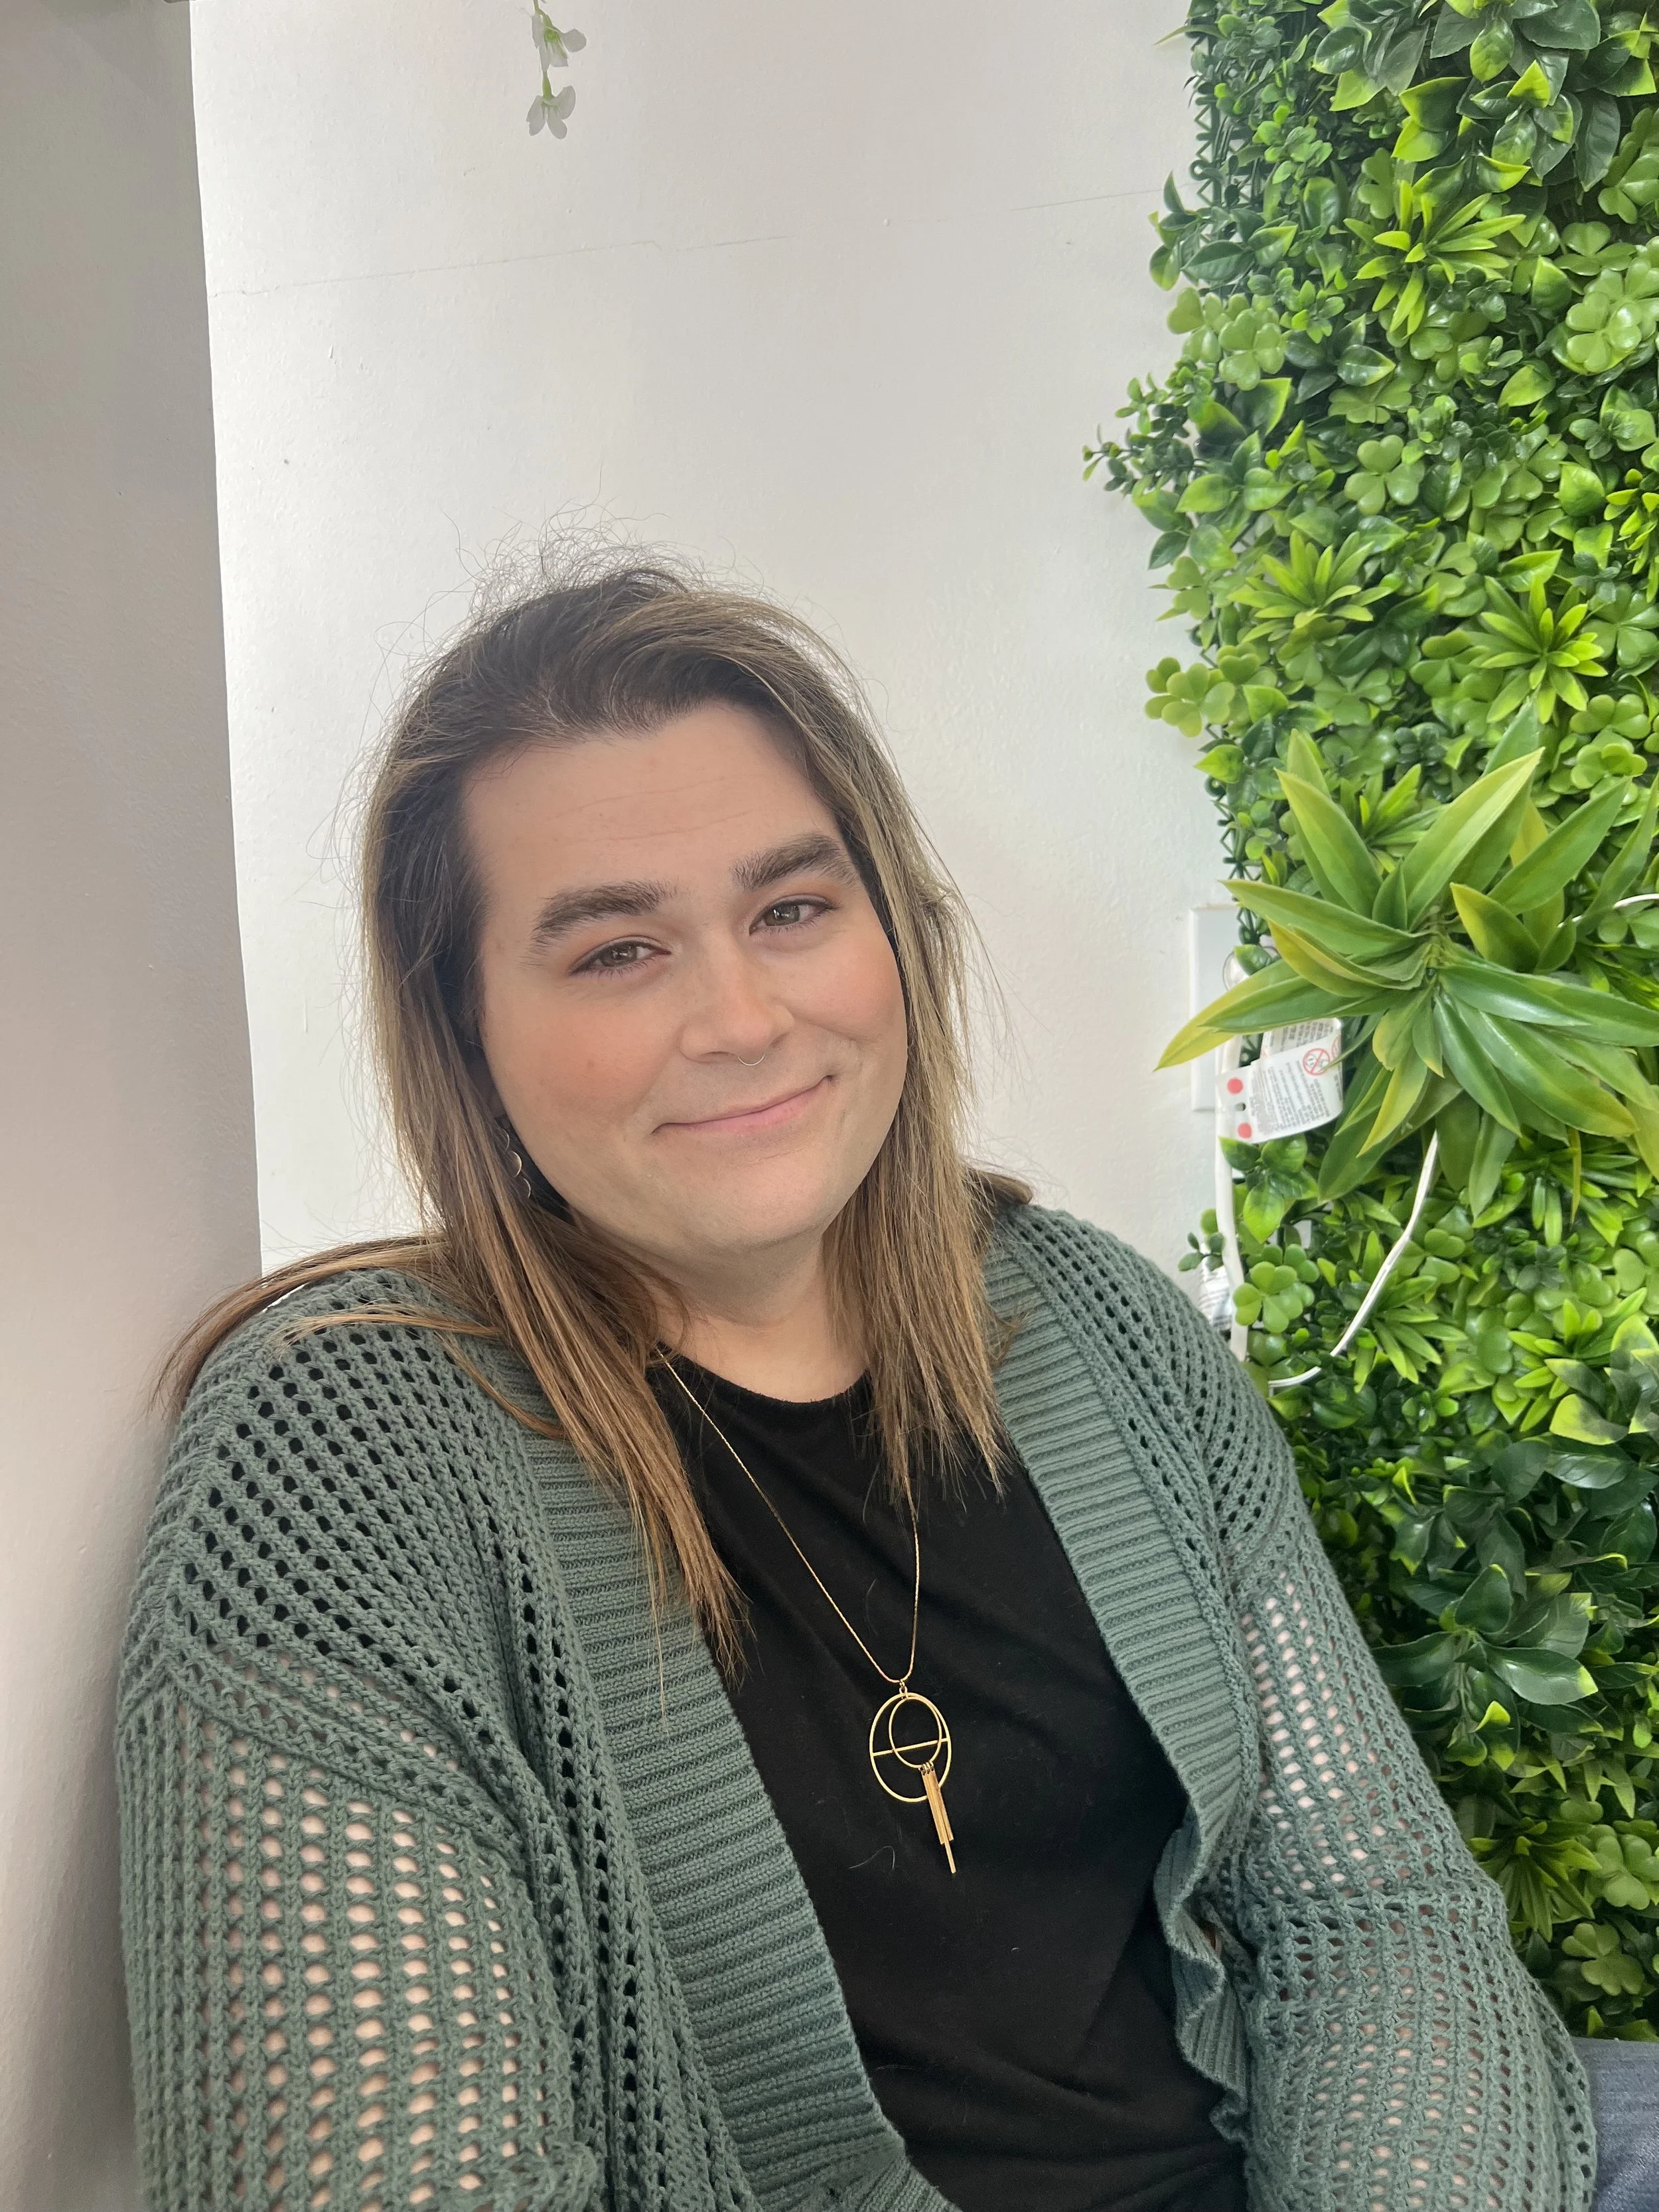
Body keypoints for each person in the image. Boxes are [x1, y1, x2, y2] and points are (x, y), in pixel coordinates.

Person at [119, 552, 1602, 2212]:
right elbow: (403, 2179)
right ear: (464, 1032)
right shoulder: (342, 1455)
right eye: (614, 950)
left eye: (791, 908)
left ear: (894, 928)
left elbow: (1371, 1898)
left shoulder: (1096, 1323)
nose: (741, 1016)